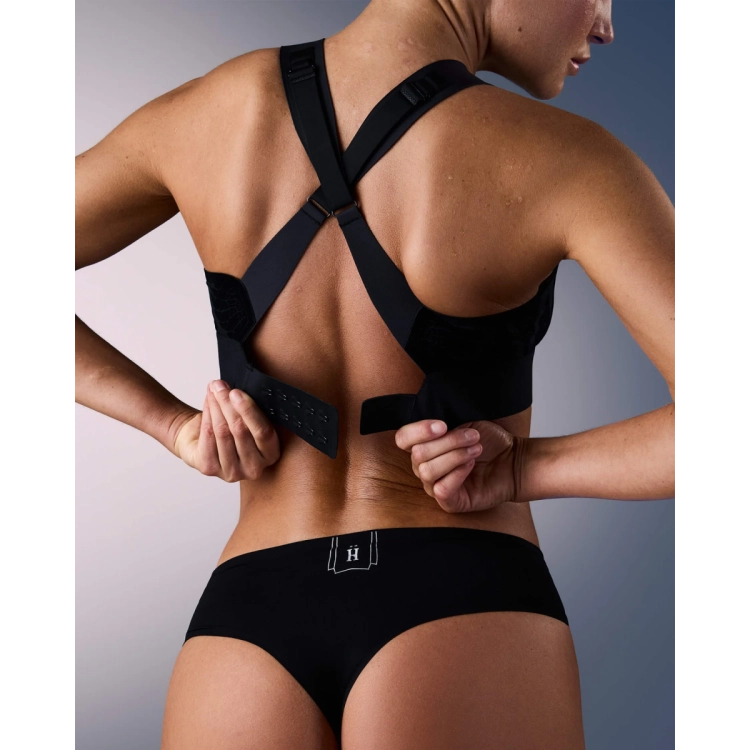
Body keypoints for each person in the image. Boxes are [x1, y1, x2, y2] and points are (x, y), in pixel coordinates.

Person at [73, 0, 675, 747]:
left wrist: (173, 426)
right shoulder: (568, 159)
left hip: (245, 629)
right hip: (464, 599)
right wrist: (523, 468)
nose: (607, 24)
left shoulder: (205, 114)